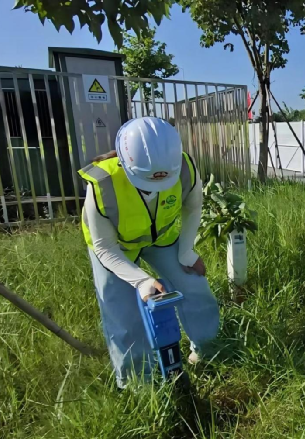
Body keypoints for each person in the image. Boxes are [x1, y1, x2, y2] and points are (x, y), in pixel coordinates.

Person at [78, 116, 220, 389]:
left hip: (160, 238)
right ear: (125, 164)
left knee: (194, 285)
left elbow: (193, 208)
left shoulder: (184, 167)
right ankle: (137, 384)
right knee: (123, 315)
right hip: (116, 248)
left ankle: (207, 351)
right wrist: (141, 280)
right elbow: (105, 247)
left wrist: (186, 251)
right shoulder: (102, 184)